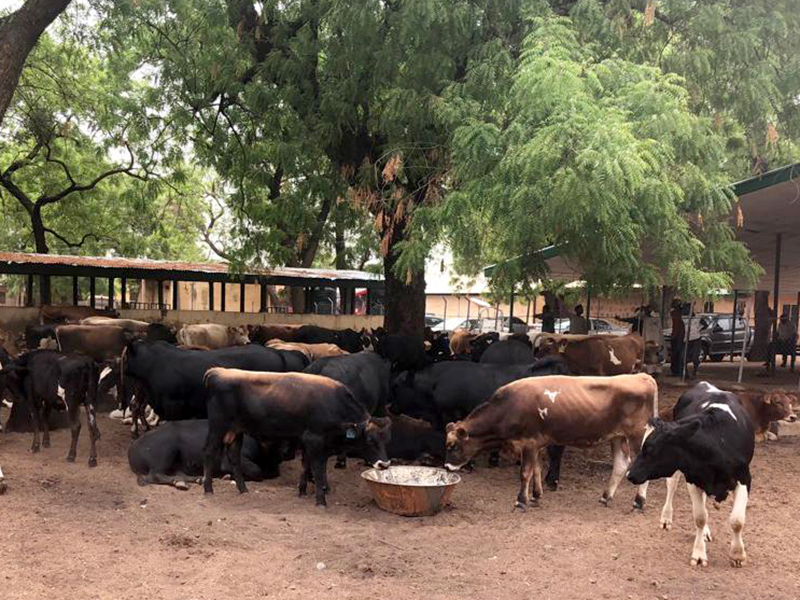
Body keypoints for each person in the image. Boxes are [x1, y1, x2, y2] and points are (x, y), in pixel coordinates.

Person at [669, 300, 685, 376]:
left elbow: (676, 327)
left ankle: (676, 371)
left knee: (676, 354)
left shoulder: (676, 314)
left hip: (677, 337)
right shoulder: (679, 314)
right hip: (679, 336)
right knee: (677, 354)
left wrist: (673, 336)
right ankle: (677, 370)